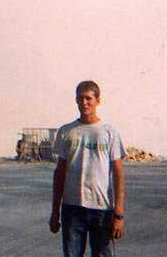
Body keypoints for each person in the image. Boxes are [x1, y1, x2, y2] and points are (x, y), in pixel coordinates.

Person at [49, 80, 126, 257]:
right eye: (80, 98)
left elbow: (118, 174)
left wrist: (119, 215)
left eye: (88, 98)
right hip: (72, 209)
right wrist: (55, 212)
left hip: (102, 209)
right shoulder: (66, 131)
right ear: (75, 100)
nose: (84, 103)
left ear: (98, 101)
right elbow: (59, 173)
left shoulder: (109, 132)